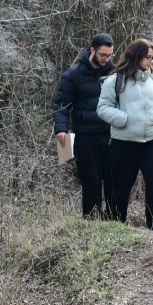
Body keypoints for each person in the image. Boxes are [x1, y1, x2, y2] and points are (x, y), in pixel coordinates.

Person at [97, 39, 153, 230]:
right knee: (121, 186)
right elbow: (102, 108)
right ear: (136, 57)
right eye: (148, 57)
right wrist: (124, 119)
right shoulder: (115, 80)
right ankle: (116, 224)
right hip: (124, 142)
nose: (151, 62)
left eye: (152, 58)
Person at [53, 33, 116, 219]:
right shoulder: (73, 74)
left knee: (114, 179)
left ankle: (115, 220)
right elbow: (61, 104)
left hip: (111, 134)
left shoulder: (115, 73)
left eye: (110, 55)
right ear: (92, 50)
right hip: (85, 135)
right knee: (91, 180)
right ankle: (92, 219)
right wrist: (61, 129)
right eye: (103, 55)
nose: (106, 59)